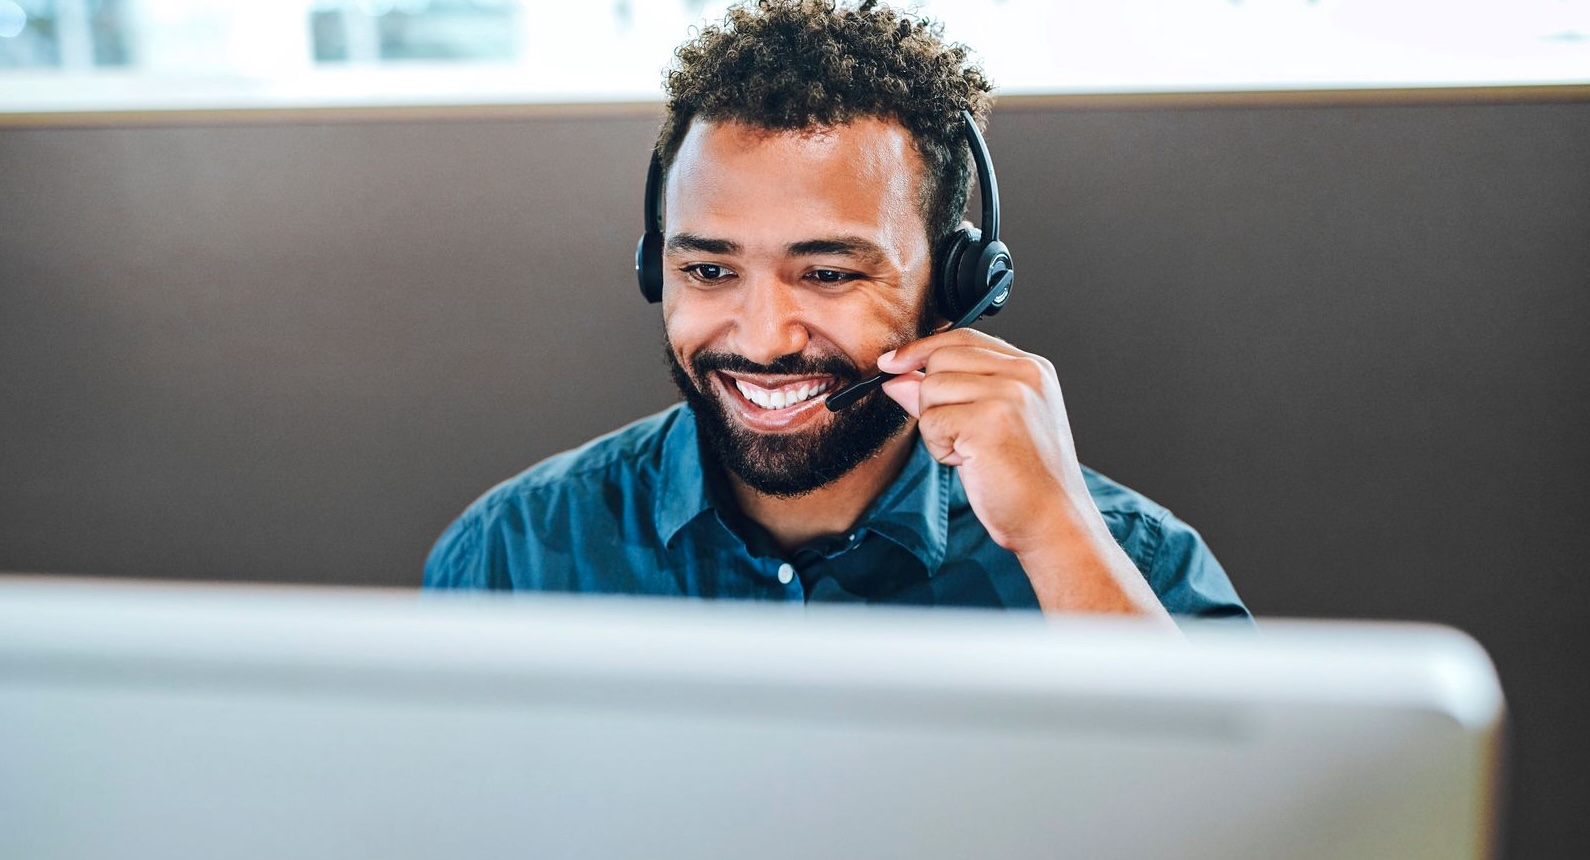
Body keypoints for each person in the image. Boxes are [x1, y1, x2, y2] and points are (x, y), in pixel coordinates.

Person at [424, 0, 1248, 624]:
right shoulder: (511, 552)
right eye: (709, 269)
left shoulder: (1130, 562)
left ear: (956, 287)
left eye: (825, 273)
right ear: (656, 268)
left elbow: (1260, 841)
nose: (761, 335)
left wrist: (1057, 539)